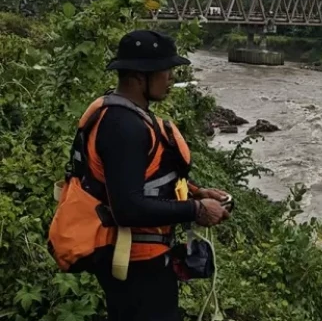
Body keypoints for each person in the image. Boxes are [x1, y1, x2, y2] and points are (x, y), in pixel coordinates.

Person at [48, 29, 231, 321]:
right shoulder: (124, 127)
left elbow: (142, 176)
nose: (171, 78)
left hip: (141, 260)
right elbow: (128, 208)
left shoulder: (124, 114)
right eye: (165, 71)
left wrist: (197, 192)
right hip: (136, 264)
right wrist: (195, 210)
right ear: (138, 76)